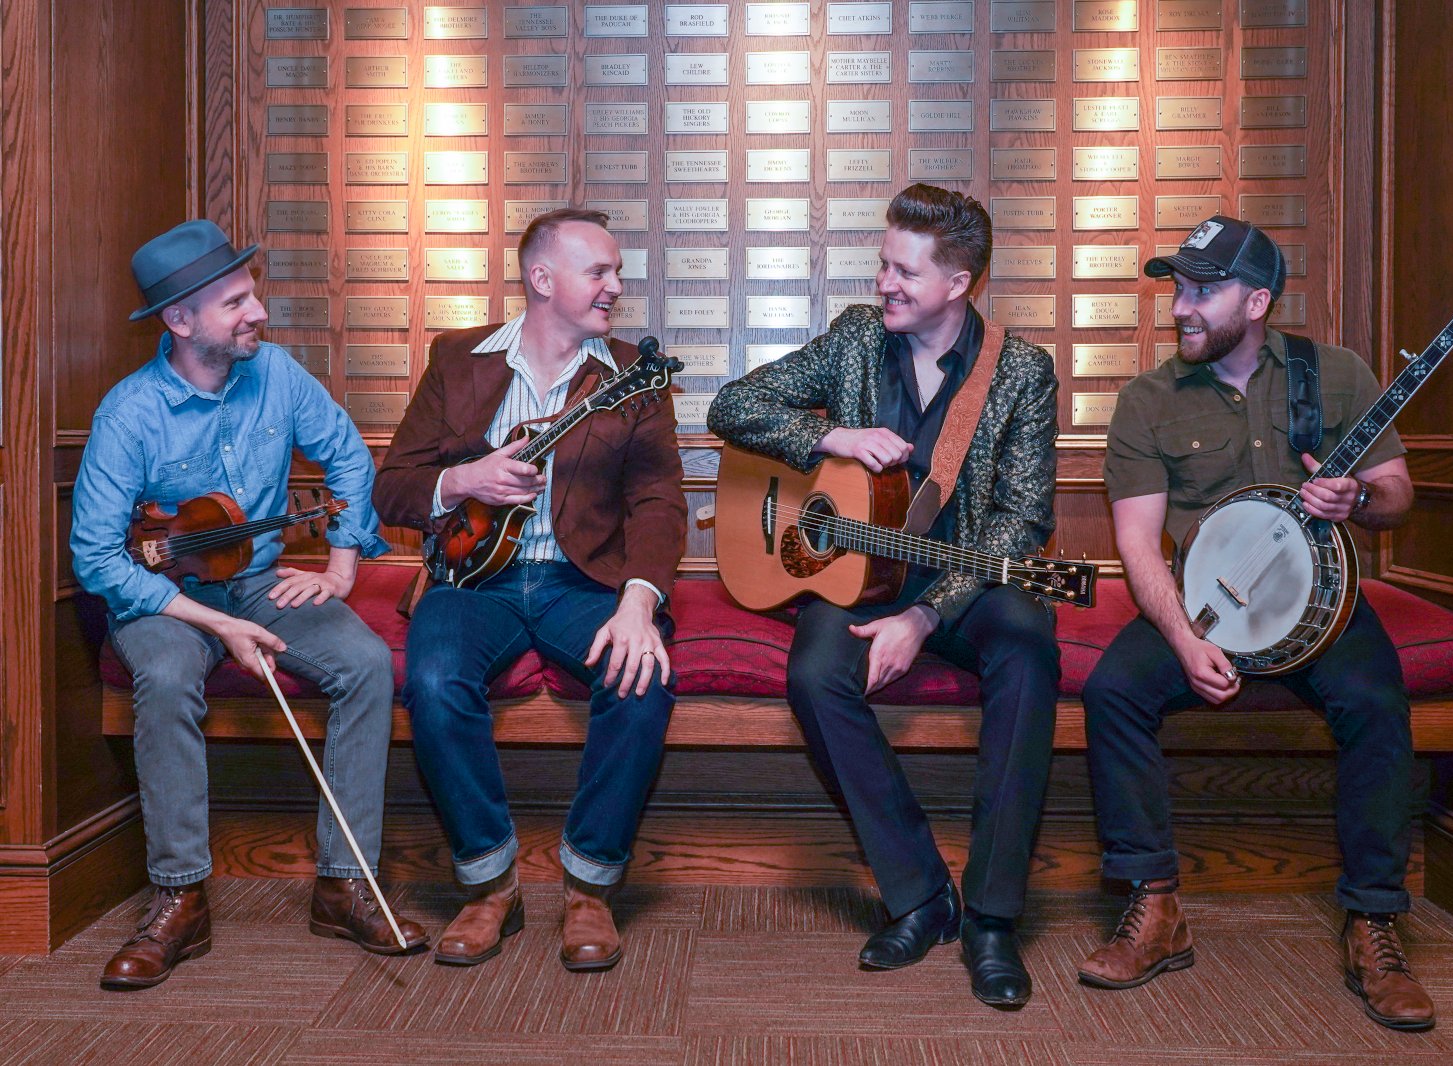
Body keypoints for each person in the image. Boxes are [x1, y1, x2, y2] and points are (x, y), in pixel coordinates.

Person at [1078, 215, 1435, 1032]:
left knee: (1377, 701)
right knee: (1113, 692)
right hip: (1204, 611)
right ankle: (1155, 904)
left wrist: (1360, 500)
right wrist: (1181, 637)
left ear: (1260, 298)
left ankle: (1375, 922)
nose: (1181, 307)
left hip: (1323, 609)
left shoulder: (1334, 375)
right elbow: (1136, 539)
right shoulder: (1148, 398)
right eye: (1178, 287)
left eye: (1204, 290)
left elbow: (1397, 495)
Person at [707, 184, 1060, 1008]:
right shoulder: (858, 340)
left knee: (1029, 648)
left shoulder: (1021, 372)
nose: (886, 283)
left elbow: (1020, 520)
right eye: (883, 265)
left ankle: (994, 919)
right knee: (813, 673)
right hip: (862, 569)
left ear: (957, 282)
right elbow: (734, 406)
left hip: (969, 583)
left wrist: (925, 615)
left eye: (903, 270)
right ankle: (919, 894)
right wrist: (833, 435)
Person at [72, 219, 425, 990]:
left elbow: (346, 460)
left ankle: (343, 883)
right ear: (180, 321)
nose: (257, 312)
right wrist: (221, 624)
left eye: (252, 294)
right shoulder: (129, 414)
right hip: (166, 598)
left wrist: (337, 570)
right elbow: (96, 558)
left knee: (365, 663)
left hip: (261, 580)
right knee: (165, 678)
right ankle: (180, 896)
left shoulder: (280, 375)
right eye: (234, 301)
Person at [374, 208, 686, 971]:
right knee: (436, 678)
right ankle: (490, 885)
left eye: (617, 272)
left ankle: (589, 887)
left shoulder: (632, 378)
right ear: (542, 279)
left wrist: (641, 602)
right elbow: (394, 489)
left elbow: (659, 502)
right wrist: (463, 480)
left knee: (642, 681)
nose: (616, 286)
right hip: (471, 583)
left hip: (586, 583)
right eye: (600, 272)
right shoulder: (458, 360)